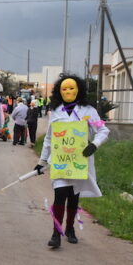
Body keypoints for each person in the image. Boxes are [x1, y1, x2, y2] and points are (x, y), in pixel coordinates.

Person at [35, 74, 109, 249]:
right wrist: (42, 161)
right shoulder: (56, 112)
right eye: (65, 89)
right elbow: (49, 138)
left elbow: (103, 130)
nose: (68, 92)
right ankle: (56, 232)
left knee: (73, 196)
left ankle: (70, 228)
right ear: (60, 91)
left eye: (71, 88)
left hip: (79, 162)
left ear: (79, 89)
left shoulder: (89, 111)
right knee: (60, 194)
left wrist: (94, 145)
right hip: (60, 161)